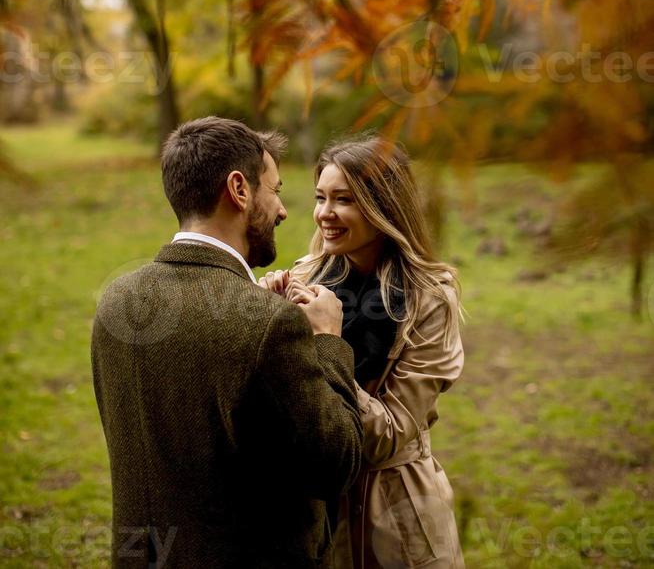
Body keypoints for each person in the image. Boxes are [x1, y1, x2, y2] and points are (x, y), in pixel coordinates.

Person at [91, 117, 363, 569]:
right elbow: (336, 462)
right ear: (239, 190)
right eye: (274, 190)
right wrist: (326, 340)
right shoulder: (269, 325)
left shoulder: (117, 300)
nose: (283, 211)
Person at [260, 135, 464, 569]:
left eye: (344, 200)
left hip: (395, 515)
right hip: (311, 507)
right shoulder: (305, 277)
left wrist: (325, 342)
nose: (324, 214)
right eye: (320, 198)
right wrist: (266, 320)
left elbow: (388, 435)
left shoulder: (429, 300)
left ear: (383, 207)